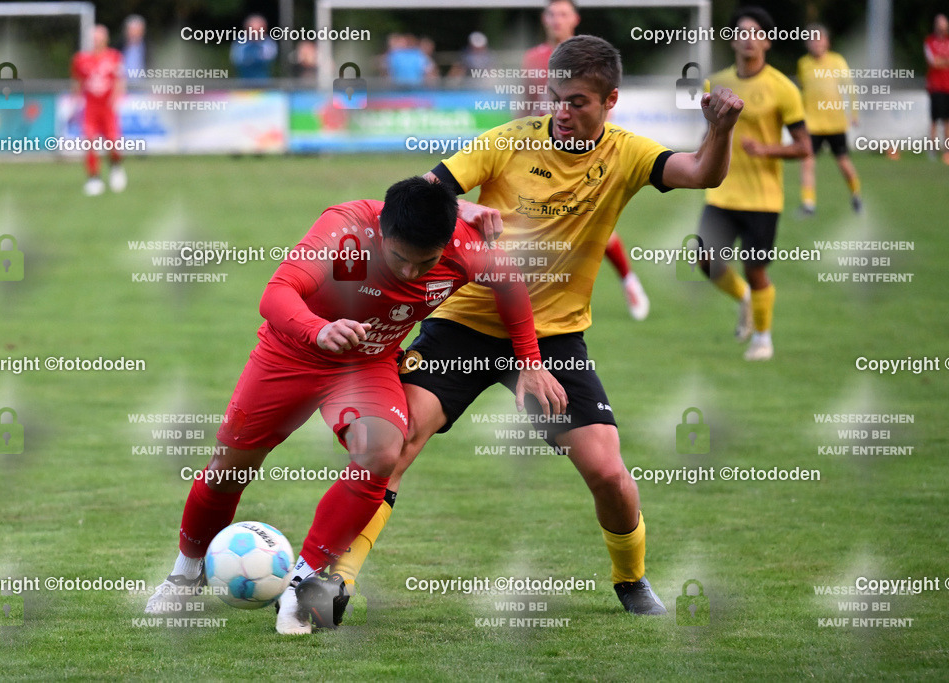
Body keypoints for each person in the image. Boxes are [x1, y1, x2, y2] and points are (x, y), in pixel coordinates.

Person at [327, 35, 744, 618]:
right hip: (464, 322)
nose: (562, 112)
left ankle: (632, 581)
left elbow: (702, 172)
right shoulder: (507, 141)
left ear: (611, 100)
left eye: (577, 101)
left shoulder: (627, 154)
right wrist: (463, 207)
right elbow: (424, 192)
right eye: (556, 98)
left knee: (607, 471)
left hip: (552, 337)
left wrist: (720, 129)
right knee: (394, 447)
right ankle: (336, 580)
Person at [144, 177, 567, 634]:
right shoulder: (343, 229)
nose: (409, 272)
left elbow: (509, 284)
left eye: (423, 262)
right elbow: (276, 293)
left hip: (367, 364)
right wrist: (317, 329)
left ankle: (302, 587)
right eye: (399, 257)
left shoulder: (465, 247)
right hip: (291, 354)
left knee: (383, 452)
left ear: (445, 243)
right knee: (230, 469)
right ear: (381, 230)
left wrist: (530, 363)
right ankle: (184, 575)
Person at [697, 6, 811, 361]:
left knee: (755, 267)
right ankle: (744, 298)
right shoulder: (715, 83)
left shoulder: (782, 88)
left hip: (763, 197)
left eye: (756, 32)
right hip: (721, 191)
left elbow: (805, 147)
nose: (748, 39)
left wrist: (765, 149)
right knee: (705, 260)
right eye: (741, 32)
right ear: (731, 39)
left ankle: (763, 338)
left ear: (768, 40)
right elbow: (709, 133)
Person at [524, 0, 650, 321]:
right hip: (541, 154)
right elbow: (525, 108)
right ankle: (538, 300)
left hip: (582, 153)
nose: (557, 19)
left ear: (575, 18)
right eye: (552, 14)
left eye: (563, 13)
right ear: (544, 19)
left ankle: (627, 279)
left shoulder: (591, 58)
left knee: (589, 223)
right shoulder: (532, 59)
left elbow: (605, 106)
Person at [796, 24, 862, 214]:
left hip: (835, 123)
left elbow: (850, 88)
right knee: (807, 163)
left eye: (819, 38)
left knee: (843, 162)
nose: (815, 42)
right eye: (811, 39)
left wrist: (854, 113)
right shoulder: (803, 63)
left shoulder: (837, 61)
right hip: (812, 125)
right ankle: (808, 204)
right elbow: (802, 92)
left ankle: (856, 196)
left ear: (827, 41)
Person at [70, 24, 126, 196]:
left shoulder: (114, 57)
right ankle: (94, 178)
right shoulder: (80, 59)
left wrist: (117, 98)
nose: (96, 41)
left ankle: (116, 167)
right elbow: (77, 82)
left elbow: (119, 80)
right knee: (89, 142)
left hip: (107, 107)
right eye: (94, 38)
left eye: (99, 37)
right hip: (90, 107)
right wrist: (75, 101)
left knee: (113, 141)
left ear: (105, 39)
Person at [924, 14, 949, 164]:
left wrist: (942, 61)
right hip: (935, 86)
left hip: (948, 86)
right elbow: (933, 61)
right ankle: (932, 150)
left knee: (947, 120)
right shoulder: (930, 41)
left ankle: (947, 151)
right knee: (934, 120)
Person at [230, 14, 277, 79]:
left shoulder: (269, 43)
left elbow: (268, 58)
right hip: (243, 83)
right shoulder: (239, 43)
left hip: (264, 83)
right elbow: (237, 59)